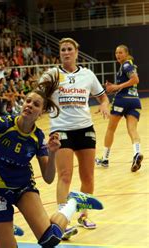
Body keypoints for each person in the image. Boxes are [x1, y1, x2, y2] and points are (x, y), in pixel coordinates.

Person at [0, 72, 104, 248]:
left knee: (50, 239)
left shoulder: (37, 138)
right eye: (28, 101)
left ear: (41, 112)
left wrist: (53, 152)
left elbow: (48, 177)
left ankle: (73, 202)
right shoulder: (6, 123)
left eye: (36, 104)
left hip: (23, 189)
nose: (30, 105)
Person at [45, 38, 110, 230]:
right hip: (61, 129)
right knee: (65, 175)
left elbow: (102, 96)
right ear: (60, 53)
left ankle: (83, 215)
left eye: (69, 49)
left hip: (85, 129)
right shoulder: (52, 75)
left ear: (76, 52)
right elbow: (38, 96)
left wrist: (105, 104)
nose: (66, 52)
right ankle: (62, 221)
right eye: (63, 49)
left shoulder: (88, 75)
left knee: (88, 177)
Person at [96, 45, 143, 172]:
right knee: (132, 130)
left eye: (121, 52)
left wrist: (116, 87)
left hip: (122, 100)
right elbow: (130, 82)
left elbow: (135, 79)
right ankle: (136, 153)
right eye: (116, 52)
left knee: (110, 129)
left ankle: (105, 159)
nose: (118, 55)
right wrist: (113, 87)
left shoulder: (126, 65)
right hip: (135, 101)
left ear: (126, 54)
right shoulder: (129, 65)